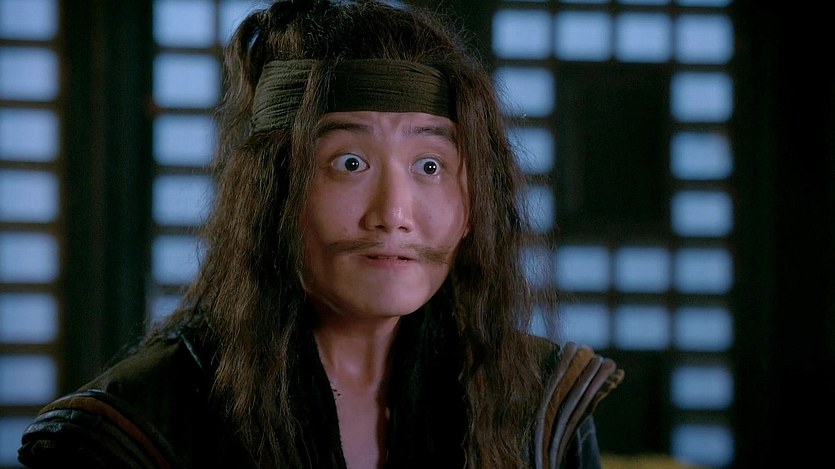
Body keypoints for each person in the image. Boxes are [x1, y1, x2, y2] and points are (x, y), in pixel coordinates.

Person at [17, 1, 624, 468]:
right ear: (270, 195)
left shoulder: (536, 406)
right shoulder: (136, 430)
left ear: (473, 206)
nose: (394, 214)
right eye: (350, 163)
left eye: (430, 166)